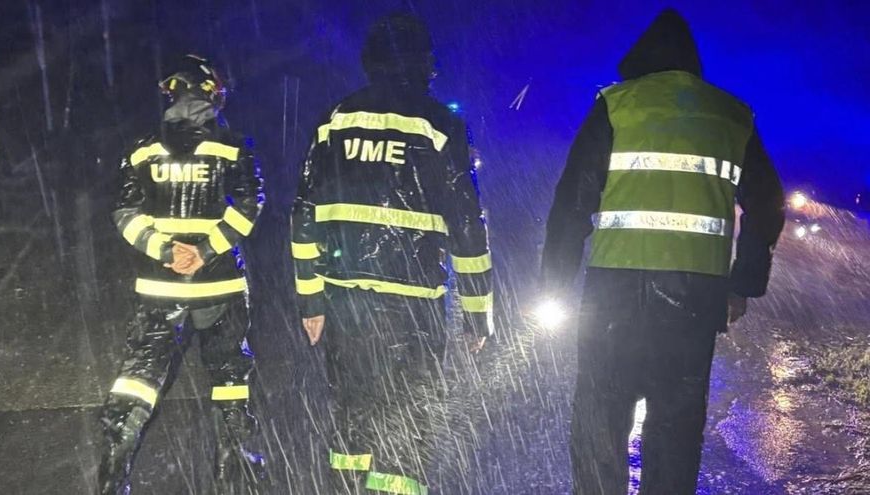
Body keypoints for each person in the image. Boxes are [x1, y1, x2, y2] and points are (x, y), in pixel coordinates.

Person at [541, 9, 785, 495]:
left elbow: (573, 200)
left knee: (600, 422)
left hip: (612, 296)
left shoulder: (616, 104)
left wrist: (555, 285)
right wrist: (742, 285)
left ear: (640, 60)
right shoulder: (731, 115)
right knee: (675, 431)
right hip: (694, 300)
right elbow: (767, 204)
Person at [291, 13, 493, 495]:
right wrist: (477, 311)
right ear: (427, 64)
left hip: (345, 300)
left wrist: (310, 301)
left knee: (352, 413)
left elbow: (303, 214)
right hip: (414, 302)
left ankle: (346, 488)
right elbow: (467, 224)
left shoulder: (334, 120)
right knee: (409, 423)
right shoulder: (441, 124)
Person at [98, 54, 265, 494]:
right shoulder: (234, 145)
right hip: (221, 285)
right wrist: (206, 250)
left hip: (158, 286)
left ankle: (112, 474)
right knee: (229, 375)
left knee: (138, 378)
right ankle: (234, 474)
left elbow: (124, 212)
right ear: (213, 93)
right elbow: (250, 207)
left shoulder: (142, 147)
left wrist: (166, 250)